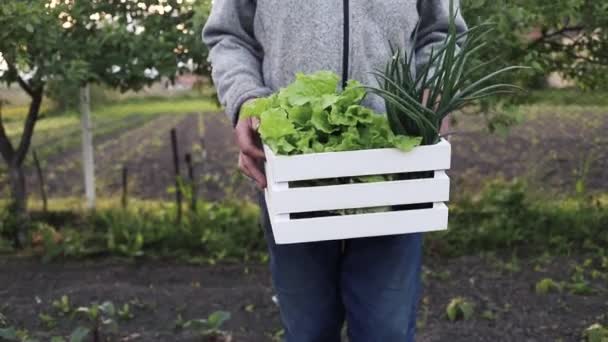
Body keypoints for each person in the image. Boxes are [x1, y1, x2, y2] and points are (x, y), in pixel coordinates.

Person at [202, 1, 466, 341]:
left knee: (385, 330)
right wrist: (247, 99)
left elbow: (442, 32)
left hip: (395, 163)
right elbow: (229, 35)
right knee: (309, 329)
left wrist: (435, 88)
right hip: (293, 170)